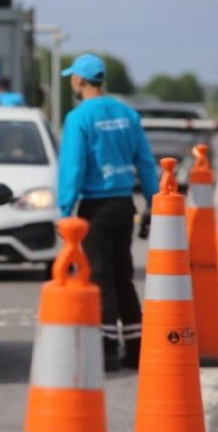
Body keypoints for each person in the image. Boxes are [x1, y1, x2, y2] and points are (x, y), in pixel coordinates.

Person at [57, 53, 159, 372]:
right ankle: (135, 347)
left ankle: (105, 349)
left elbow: (72, 168)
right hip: (123, 204)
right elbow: (145, 161)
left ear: (79, 81)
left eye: (72, 78)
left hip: (95, 207)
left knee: (99, 276)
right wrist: (154, 202)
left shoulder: (79, 118)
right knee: (122, 275)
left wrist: (65, 209)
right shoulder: (127, 114)